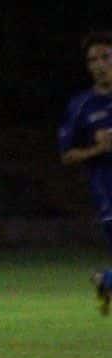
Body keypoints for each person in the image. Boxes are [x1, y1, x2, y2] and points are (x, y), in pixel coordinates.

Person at [59, 31, 112, 315]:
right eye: (93, 60)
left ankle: (107, 280)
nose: (100, 64)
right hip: (107, 192)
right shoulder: (81, 105)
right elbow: (67, 155)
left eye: (106, 57)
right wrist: (98, 149)